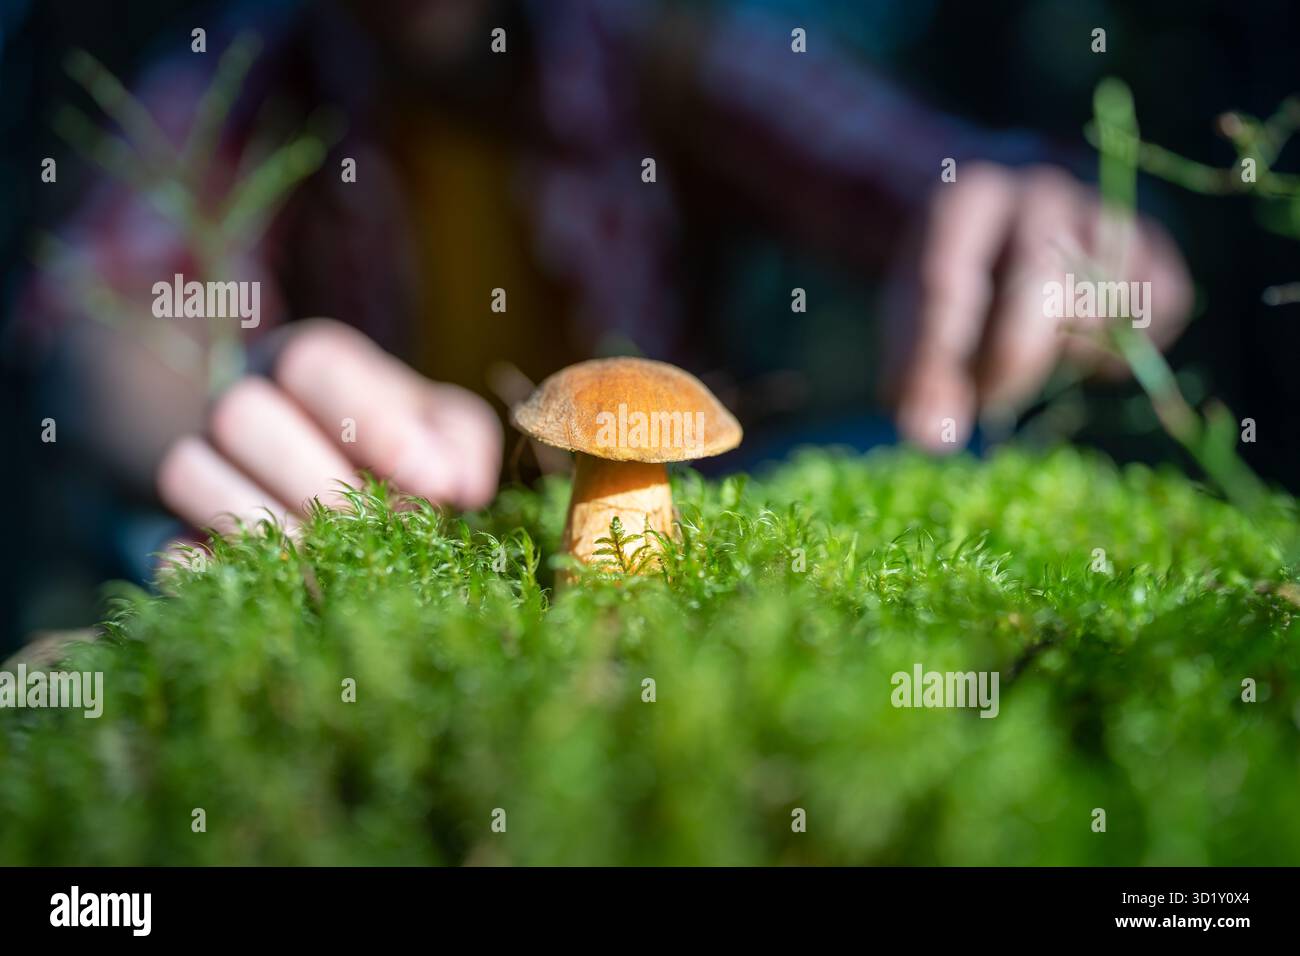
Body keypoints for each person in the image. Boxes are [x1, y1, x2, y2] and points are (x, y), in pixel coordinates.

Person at [21, 0, 1191, 546]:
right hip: (402, 525)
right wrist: (230, 391)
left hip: (682, 503)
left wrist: (1077, 237)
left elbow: (921, 169)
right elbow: (84, 321)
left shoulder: (660, 55)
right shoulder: (243, 84)